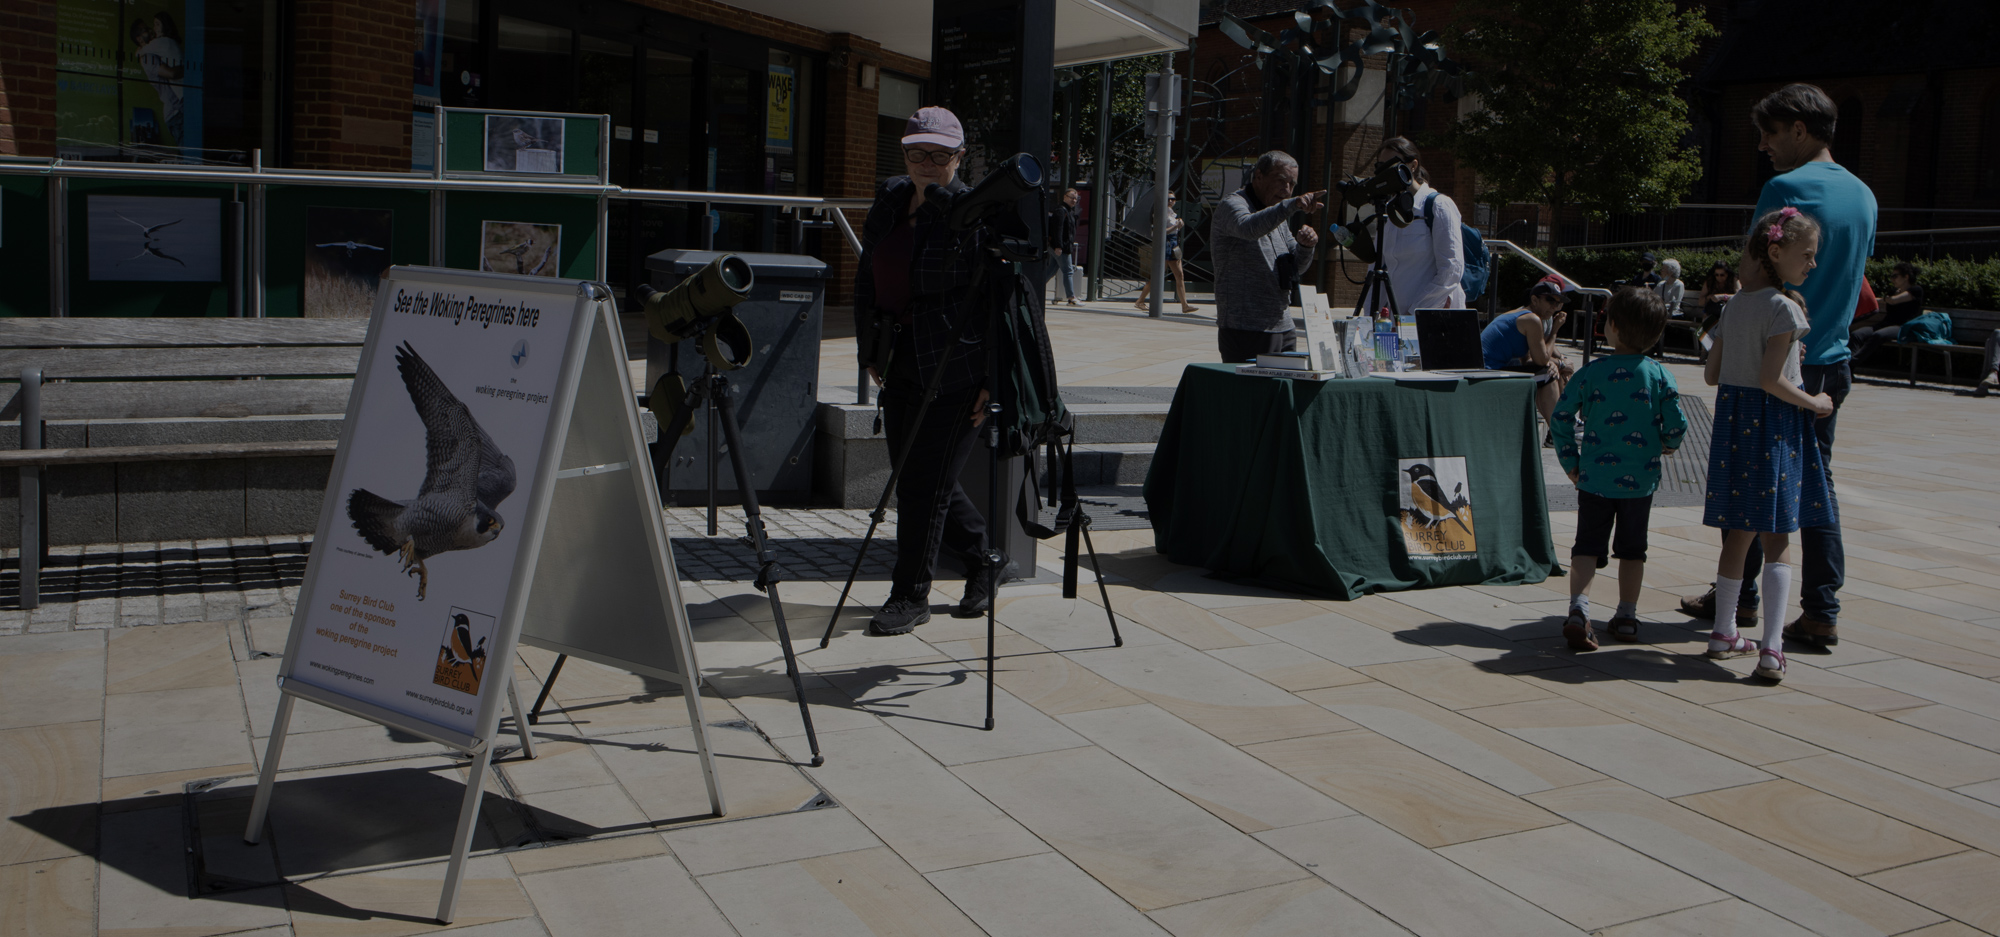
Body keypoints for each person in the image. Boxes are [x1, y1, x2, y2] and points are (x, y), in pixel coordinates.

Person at [1679, 84, 1875, 649]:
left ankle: (1738, 598)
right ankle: (1820, 609)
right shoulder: (1864, 195)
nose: (1762, 145)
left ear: (1799, 129)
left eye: (1769, 133)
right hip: (1830, 358)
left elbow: (1756, 271)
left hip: (1776, 361)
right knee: (1814, 485)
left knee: (1750, 480)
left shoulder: (1785, 190)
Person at [851, 106, 993, 635]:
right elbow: (868, 277)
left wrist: (991, 380)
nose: (927, 163)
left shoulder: (970, 214)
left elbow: (997, 303)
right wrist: (869, 349)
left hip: (957, 366)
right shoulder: (890, 198)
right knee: (918, 476)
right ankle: (984, 559)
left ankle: (910, 595)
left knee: (921, 488)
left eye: (939, 154)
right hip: (900, 357)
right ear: (904, 153)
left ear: (959, 156)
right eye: (917, 152)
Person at [1699, 206, 1836, 682]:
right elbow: (1771, 379)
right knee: (1778, 536)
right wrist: (1815, 402)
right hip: (1773, 425)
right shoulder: (1785, 308)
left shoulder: (1734, 305)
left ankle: (1723, 632)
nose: (1812, 263)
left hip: (1734, 423)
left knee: (1739, 531)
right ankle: (1772, 648)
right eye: (1807, 254)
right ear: (1776, 252)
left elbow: (1712, 374)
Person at [1552, 287, 1687, 650]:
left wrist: (1571, 461)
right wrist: (1668, 444)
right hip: (1640, 481)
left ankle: (1578, 610)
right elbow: (1677, 423)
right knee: (1632, 549)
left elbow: (1561, 417)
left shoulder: (1591, 373)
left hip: (1594, 478)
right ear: (1657, 334)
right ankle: (1627, 615)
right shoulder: (1659, 375)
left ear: (1611, 326)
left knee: (1586, 545)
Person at [1210, 151, 1321, 361]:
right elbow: (1248, 228)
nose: (1287, 189)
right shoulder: (1233, 205)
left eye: (1292, 184)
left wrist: (1306, 246)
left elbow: (1295, 268)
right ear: (1259, 176)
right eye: (1281, 181)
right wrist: (1291, 205)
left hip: (1283, 326)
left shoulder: (1277, 214)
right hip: (1245, 328)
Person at [1370, 136, 1464, 311]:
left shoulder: (1438, 205)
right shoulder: (1388, 210)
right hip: (1395, 318)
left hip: (1430, 317)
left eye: (1391, 164)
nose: (1384, 171)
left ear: (1413, 165)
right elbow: (1377, 268)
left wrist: (1416, 311)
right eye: (1380, 166)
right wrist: (1370, 317)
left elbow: (1451, 269)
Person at [1481, 275, 1577, 424]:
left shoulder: (1523, 315)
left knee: (1549, 371)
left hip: (1490, 369)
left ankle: (1560, 425)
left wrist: (1553, 363)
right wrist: (1555, 332)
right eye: (1550, 300)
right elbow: (1542, 360)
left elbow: (1528, 361)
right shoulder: (1532, 319)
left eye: (1558, 303)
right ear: (1534, 300)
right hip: (1487, 373)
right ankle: (1558, 429)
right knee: (1548, 375)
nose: (1554, 306)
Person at [1850, 262, 1923, 365]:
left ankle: (1852, 362)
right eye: (1891, 276)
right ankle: (1850, 368)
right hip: (1885, 324)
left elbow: (1893, 300)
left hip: (1902, 327)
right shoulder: (1893, 292)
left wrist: (1884, 299)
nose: (1892, 279)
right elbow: (1886, 300)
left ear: (1906, 277)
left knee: (1878, 335)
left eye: (1895, 276)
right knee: (1857, 334)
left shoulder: (1916, 290)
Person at [1135, 192, 1197, 314]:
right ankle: (1140, 301)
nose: (1170, 201)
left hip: (1173, 244)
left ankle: (1184, 305)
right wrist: (1175, 227)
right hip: (1166, 244)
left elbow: (1173, 229)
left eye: (1173, 199)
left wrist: (1179, 225)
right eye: (1168, 199)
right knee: (1159, 276)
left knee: (1178, 275)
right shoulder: (1161, 213)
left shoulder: (1171, 213)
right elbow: (1159, 230)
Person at [131, 15, 186, 146]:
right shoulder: (147, 58)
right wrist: (189, 70)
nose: (150, 30)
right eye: (145, 30)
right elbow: (172, 73)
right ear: (139, 39)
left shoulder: (153, 50)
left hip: (177, 110)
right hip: (175, 112)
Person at [1051, 188, 1080, 306]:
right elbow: (1058, 229)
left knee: (1050, 271)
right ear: (1064, 197)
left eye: (1075, 198)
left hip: (1062, 246)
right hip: (1062, 247)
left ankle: (1034, 289)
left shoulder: (1069, 211)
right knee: (1068, 271)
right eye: (1071, 197)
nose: (1074, 200)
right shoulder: (1061, 211)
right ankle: (1071, 298)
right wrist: (1058, 246)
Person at [1698, 261, 1740, 325]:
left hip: (1730, 312)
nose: (1719, 277)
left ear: (1727, 273)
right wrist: (1709, 297)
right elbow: (1700, 302)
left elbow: (1739, 296)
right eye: (1716, 275)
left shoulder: (1734, 279)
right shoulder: (1710, 281)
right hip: (1713, 313)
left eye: (1722, 275)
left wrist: (1722, 297)